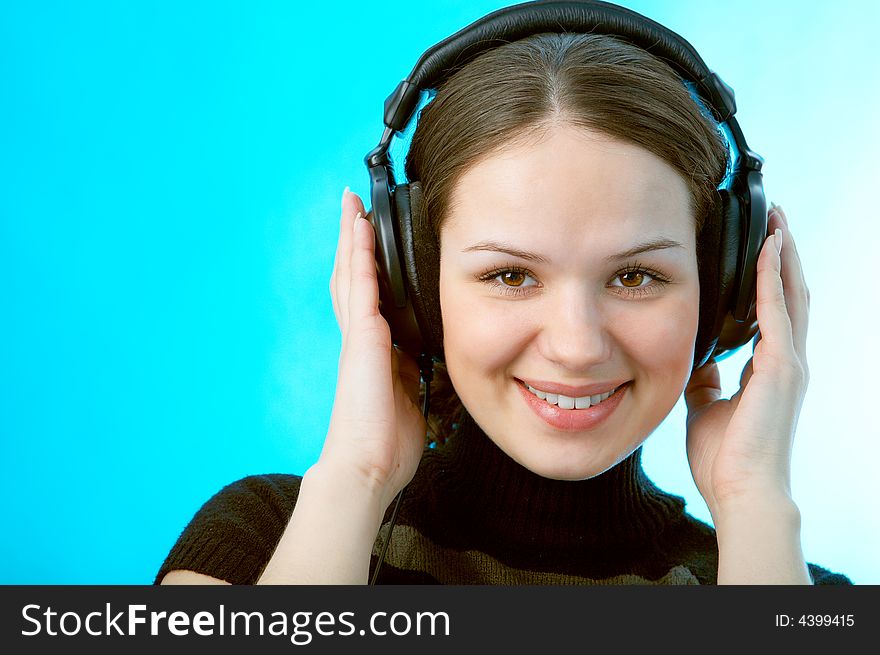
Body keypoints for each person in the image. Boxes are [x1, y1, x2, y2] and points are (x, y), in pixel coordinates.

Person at [155, 4, 851, 586]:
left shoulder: (788, 583)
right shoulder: (261, 542)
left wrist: (754, 504)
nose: (576, 345)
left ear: (723, 287)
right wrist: (356, 477)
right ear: (414, 288)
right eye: (510, 275)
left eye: (635, 276)